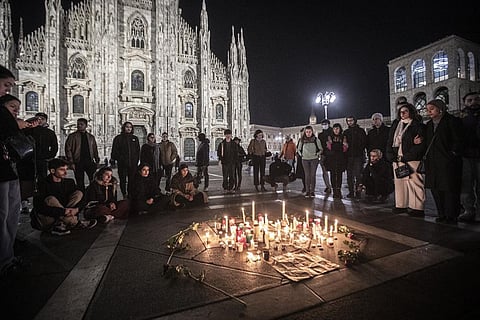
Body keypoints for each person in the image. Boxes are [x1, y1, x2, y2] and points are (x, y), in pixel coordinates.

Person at [0, 92, 39, 277]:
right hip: (3, 173)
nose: (16, 111)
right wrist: (15, 125)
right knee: (3, 214)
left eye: (17, 108)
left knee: (11, 213)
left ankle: (8, 255)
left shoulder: (12, 126)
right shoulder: (6, 124)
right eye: (11, 108)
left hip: (10, 171)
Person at [32, 158, 97, 236]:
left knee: (78, 193)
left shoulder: (69, 182)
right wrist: (63, 212)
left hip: (65, 212)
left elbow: (83, 199)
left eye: (66, 169)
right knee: (50, 199)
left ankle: (62, 224)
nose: (65, 173)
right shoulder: (42, 184)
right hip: (48, 217)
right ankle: (75, 223)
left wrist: (77, 209)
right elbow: (39, 207)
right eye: (62, 170)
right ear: (52, 171)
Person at [424, 99, 464, 224]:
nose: (429, 111)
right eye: (427, 109)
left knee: (449, 190)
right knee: (436, 189)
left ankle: (451, 215)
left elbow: (459, 140)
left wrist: (452, 154)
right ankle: (441, 213)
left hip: (448, 163)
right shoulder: (429, 125)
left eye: (432, 108)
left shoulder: (452, 121)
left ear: (440, 109)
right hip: (433, 163)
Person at [386, 103, 426, 216]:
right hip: (397, 159)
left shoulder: (417, 125)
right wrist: (391, 155)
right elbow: (390, 141)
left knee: (415, 182)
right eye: (400, 112)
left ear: (411, 112)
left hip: (411, 159)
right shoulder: (396, 125)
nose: (402, 114)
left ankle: (417, 207)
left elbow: (419, 145)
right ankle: (401, 205)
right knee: (400, 182)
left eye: (405, 111)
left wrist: (406, 156)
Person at [458, 92, 480, 223]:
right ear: (464, 102)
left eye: (477, 99)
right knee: (466, 185)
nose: (473, 102)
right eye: (470, 100)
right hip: (466, 156)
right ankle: (468, 210)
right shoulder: (461, 118)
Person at [65, 118, 100, 192]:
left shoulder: (91, 137)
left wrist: (97, 160)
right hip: (78, 161)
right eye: (78, 124)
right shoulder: (72, 136)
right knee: (79, 181)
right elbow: (68, 149)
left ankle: (92, 194)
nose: (79, 126)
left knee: (93, 179)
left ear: (86, 125)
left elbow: (94, 149)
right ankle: (81, 196)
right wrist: (71, 162)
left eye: (81, 124)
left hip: (89, 161)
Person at [111, 121, 140, 198]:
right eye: (127, 127)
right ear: (124, 128)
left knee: (132, 180)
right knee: (122, 180)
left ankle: (130, 193)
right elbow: (114, 150)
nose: (128, 128)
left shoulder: (135, 138)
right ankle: (124, 193)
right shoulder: (118, 138)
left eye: (130, 127)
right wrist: (117, 159)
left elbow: (138, 151)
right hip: (122, 163)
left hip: (133, 164)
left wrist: (136, 161)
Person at [344, 116, 367, 199]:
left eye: (351, 120)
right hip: (349, 156)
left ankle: (358, 192)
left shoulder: (360, 131)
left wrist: (360, 150)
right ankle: (351, 192)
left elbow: (364, 142)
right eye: (348, 121)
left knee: (358, 175)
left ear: (355, 121)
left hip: (358, 156)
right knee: (349, 175)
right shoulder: (346, 132)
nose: (350, 122)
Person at [297, 125, 323, 198]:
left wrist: (317, 154)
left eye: (309, 132)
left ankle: (312, 191)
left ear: (312, 132)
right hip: (305, 159)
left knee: (312, 175)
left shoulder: (316, 140)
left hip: (314, 159)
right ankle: (307, 191)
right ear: (305, 132)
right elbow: (298, 149)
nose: (308, 133)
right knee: (307, 175)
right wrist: (301, 154)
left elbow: (321, 149)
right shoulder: (302, 140)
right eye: (307, 132)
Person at [324, 123, 348, 199]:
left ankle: (339, 190)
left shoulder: (343, 137)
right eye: (334, 129)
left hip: (341, 159)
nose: (336, 130)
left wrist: (335, 147)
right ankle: (334, 191)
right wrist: (338, 147)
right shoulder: (330, 137)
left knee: (339, 175)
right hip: (332, 159)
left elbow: (344, 148)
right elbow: (329, 147)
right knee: (333, 175)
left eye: (337, 129)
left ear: (340, 129)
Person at [217, 129, 238, 193]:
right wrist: (220, 160)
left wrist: (235, 161)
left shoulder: (234, 144)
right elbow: (219, 152)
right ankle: (225, 188)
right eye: (227, 134)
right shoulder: (222, 144)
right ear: (225, 135)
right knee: (225, 176)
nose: (228, 136)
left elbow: (236, 153)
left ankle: (231, 188)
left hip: (232, 162)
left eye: (229, 134)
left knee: (232, 176)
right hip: (225, 162)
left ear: (231, 135)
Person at [318, 119, 333, 193]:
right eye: (323, 124)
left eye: (325, 124)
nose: (324, 125)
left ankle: (335, 187)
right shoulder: (320, 135)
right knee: (324, 172)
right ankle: (328, 186)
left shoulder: (333, 133)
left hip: (332, 155)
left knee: (333, 172)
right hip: (324, 155)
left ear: (329, 124)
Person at [295, 128, 306, 193]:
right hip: (300, 158)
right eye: (301, 133)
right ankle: (305, 186)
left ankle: (308, 187)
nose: (302, 134)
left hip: (307, 157)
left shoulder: (310, 139)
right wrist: (297, 154)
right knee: (302, 174)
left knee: (307, 174)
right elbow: (298, 148)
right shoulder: (300, 140)